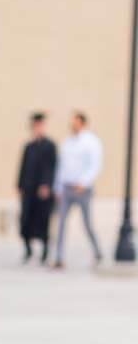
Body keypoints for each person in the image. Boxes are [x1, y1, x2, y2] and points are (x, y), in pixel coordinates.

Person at [52, 111, 104, 269]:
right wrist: (58, 187)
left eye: (75, 121)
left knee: (87, 224)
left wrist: (84, 182)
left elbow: (95, 165)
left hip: (82, 189)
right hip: (66, 189)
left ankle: (97, 252)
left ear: (82, 123)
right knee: (60, 223)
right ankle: (59, 257)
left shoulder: (91, 142)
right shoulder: (67, 142)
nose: (72, 124)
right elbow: (61, 167)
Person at [16, 111, 56, 263]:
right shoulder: (29, 146)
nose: (37, 128)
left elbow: (51, 168)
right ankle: (28, 249)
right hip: (28, 189)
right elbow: (22, 167)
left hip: (43, 191)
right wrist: (19, 185)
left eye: (39, 125)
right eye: (35, 126)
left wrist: (46, 184)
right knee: (25, 219)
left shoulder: (50, 146)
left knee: (43, 220)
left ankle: (45, 250)